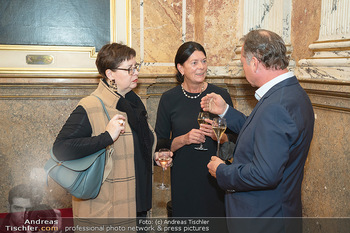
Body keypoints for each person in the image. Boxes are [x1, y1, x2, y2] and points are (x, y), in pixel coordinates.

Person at [201, 29, 315, 233]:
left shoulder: (276, 105)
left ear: (254, 62)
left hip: (264, 220)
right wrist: (226, 111)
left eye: (243, 64)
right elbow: (264, 135)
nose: (243, 70)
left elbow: (265, 174)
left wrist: (222, 172)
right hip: (278, 213)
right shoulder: (291, 93)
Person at [52, 43, 156, 219]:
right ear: (110, 74)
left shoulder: (134, 104)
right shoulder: (91, 105)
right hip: (109, 209)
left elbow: (137, 148)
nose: (136, 72)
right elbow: (61, 148)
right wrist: (106, 137)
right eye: (130, 69)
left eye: (136, 67)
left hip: (139, 203)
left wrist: (156, 156)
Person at [155, 41, 236, 218]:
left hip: (216, 177)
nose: (201, 67)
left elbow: (236, 142)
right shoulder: (169, 99)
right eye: (194, 62)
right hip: (184, 178)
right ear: (180, 68)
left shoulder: (220, 95)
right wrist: (184, 139)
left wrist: (220, 137)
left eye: (204, 61)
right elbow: (160, 144)